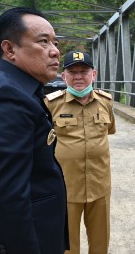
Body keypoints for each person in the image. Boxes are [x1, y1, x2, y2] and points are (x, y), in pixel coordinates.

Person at [0, 7, 68, 254]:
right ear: (9, 49)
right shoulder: (4, 98)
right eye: (43, 41)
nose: (55, 51)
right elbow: (7, 201)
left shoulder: (17, 90)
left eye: (55, 42)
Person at [44, 51, 116, 254]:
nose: (78, 76)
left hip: (100, 185)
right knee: (67, 244)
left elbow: (108, 131)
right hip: (66, 187)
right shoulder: (51, 104)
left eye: (83, 71)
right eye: (72, 71)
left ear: (93, 74)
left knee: (101, 242)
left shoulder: (106, 102)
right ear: (63, 76)